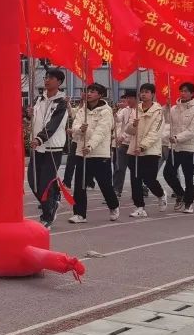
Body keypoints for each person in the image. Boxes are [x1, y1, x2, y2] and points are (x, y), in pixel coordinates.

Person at [66, 83, 119, 223]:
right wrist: (79, 129)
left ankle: (113, 205)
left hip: (99, 153)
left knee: (105, 184)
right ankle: (79, 214)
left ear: (100, 95)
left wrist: (90, 146)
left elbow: (101, 132)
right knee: (80, 185)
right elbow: (75, 126)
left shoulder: (106, 112)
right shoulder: (82, 110)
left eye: (93, 91)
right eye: (88, 91)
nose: (89, 93)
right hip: (81, 153)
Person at [28, 69, 70, 228]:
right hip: (37, 148)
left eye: (50, 78)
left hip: (52, 148)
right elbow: (35, 119)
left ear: (59, 82)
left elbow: (53, 124)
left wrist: (40, 139)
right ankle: (53, 201)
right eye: (46, 77)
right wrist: (29, 114)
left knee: (44, 183)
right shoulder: (39, 99)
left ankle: (48, 214)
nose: (46, 80)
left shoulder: (62, 102)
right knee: (33, 181)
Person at [125, 83, 167, 218]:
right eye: (142, 92)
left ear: (153, 94)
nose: (143, 94)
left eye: (147, 92)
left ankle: (160, 194)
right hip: (133, 150)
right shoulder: (135, 110)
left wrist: (143, 146)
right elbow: (128, 130)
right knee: (135, 179)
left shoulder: (158, 112)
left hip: (150, 151)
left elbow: (155, 132)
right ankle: (139, 207)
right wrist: (133, 125)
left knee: (149, 179)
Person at [165, 82, 194, 213]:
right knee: (168, 173)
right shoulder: (174, 108)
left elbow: (193, 130)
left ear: (192, 94)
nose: (183, 93)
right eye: (181, 91)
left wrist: (177, 138)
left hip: (189, 148)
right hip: (175, 148)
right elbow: (167, 123)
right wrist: (166, 107)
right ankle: (180, 194)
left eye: (186, 91)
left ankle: (188, 203)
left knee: (189, 177)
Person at [111, 91, 138, 197]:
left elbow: (133, 128)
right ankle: (116, 190)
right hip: (124, 144)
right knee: (119, 167)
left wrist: (123, 137)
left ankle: (141, 188)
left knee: (136, 169)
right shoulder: (125, 110)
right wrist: (114, 113)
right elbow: (118, 120)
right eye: (127, 98)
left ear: (136, 98)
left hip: (134, 144)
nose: (128, 100)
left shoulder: (140, 111)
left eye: (131, 98)